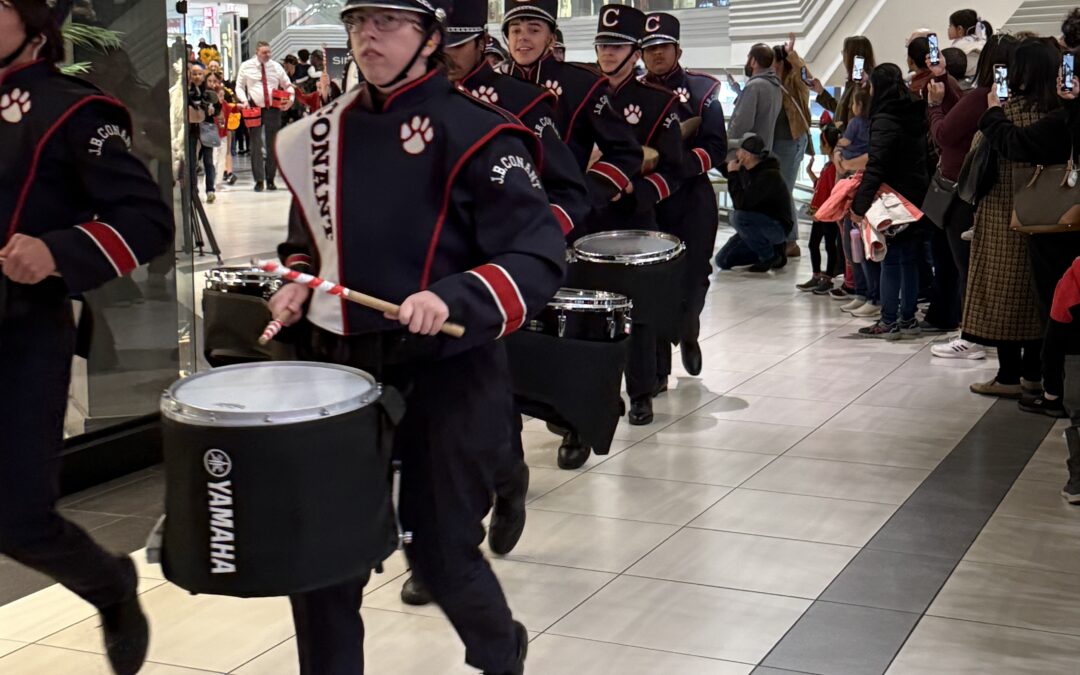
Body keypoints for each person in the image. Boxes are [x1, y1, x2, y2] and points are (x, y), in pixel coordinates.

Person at [267, 0, 566, 671]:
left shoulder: (483, 133)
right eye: (357, 22)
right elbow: (305, 245)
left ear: (431, 38)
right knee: (322, 559)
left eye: (389, 22)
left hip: (450, 368)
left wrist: (454, 293)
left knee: (439, 550)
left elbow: (538, 255)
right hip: (340, 370)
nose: (367, 36)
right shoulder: (323, 131)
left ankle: (498, 649)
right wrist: (297, 280)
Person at [395, 0, 590, 606]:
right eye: (436, 42)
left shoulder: (526, 105)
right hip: (411, 292)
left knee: (481, 419)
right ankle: (439, 547)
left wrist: (525, 250)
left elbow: (570, 195)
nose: (445, 55)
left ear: (480, 43)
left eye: (456, 43)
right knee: (427, 430)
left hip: (489, 285)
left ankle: (504, 485)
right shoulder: (401, 106)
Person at [0, 1, 174, 673]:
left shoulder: (74, 112)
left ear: (34, 23)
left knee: (17, 516)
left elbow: (146, 221)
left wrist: (59, 249)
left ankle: (110, 585)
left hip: (22, 330)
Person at [591, 3, 688, 426]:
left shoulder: (658, 101)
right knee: (593, 311)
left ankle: (642, 392)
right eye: (603, 45)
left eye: (618, 46)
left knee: (639, 313)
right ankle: (598, 392)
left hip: (635, 219)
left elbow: (674, 170)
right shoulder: (580, 95)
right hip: (588, 217)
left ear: (635, 53)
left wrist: (637, 191)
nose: (608, 53)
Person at [959, 39, 1062, 398]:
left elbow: (974, 159)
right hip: (1052, 219)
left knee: (1003, 298)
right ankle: (1035, 377)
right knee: (1038, 301)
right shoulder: (1061, 113)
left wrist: (991, 112)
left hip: (1004, 216)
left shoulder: (1007, 113)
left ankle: (1007, 377)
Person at [977, 59, 1078, 414]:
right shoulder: (1062, 115)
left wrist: (992, 114)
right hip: (1066, 223)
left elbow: (1016, 143)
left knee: (1059, 309)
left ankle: (1053, 396)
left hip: (1057, 224)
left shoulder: (1059, 119)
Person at [642, 11, 727, 377]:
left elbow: (716, 147)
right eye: (648, 49)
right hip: (650, 197)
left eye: (662, 47)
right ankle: (657, 365)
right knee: (655, 281)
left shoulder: (702, 91)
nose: (656, 54)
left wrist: (679, 161)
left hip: (692, 196)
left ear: (678, 49)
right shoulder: (632, 92)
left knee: (696, 274)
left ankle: (689, 331)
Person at [500, 0, 642, 214]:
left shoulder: (581, 84)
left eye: (534, 30)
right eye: (515, 30)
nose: (523, 37)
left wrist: (583, 195)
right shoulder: (490, 84)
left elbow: (626, 152)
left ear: (551, 39)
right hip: (498, 216)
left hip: (561, 219)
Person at [929, 34, 1020, 359]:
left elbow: (945, 133)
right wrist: (942, 79)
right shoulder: (1015, 99)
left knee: (967, 266)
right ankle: (983, 334)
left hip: (964, 190)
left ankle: (973, 336)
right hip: (999, 193)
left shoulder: (982, 96)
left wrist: (934, 106)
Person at [849, 63, 930, 339]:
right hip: (918, 193)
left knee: (891, 259)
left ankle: (888, 320)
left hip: (893, 197)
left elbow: (877, 165)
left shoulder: (884, 118)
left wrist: (859, 205)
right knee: (909, 259)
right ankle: (907, 317)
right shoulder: (916, 110)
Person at [715, 134, 792, 272]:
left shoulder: (769, 176)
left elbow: (741, 204)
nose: (736, 153)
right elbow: (725, 168)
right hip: (755, 226)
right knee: (722, 260)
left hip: (775, 228)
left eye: (739, 151)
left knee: (736, 216)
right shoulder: (747, 169)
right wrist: (711, 156)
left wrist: (733, 174)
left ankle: (768, 256)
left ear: (747, 155)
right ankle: (775, 252)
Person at [770, 35, 813, 255]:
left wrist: (793, 56)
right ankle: (784, 239)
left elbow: (808, 77)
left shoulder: (794, 80)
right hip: (775, 141)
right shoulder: (771, 82)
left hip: (792, 140)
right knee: (779, 190)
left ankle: (790, 242)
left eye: (773, 60)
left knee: (784, 190)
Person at [235, 40, 294, 191]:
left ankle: (271, 179)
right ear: (257, 53)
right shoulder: (246, 66)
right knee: (255, 145)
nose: (268, 55)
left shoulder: (276, 67)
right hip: (253, 106)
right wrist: (243, 100)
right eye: (264, 52)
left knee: (272, 144)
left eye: (269, 52)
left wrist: (290, 99)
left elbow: (288, 85)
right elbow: (239, 87)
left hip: (273, 108)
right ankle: (259, 180)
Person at [796, 123, 841, 293]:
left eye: (823, 144)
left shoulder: (834, 168)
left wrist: (824, 211)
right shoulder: (828, 167)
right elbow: (820, 187)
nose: (821, 147)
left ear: (829, 146)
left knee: (829, 245)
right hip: (820, 214)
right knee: (813, 244)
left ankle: (828, 278)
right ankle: (816, 276)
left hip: (827, 214)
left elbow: (831, 192)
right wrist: (810, 173)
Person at [725, 43, 782, 158]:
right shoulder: (776, 86)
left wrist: (726, 143)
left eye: (748, 58)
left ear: (753, 61)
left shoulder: (754, 86)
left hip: (745, 156)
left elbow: (742, 123)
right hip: (762, 153)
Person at [810, 36, 875, 130]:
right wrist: (821, 92)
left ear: (852, 56)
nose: (843, 57)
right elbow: (841, 110)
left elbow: (852, 123)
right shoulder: (854, 83)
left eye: (844, 53)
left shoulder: (862, 87)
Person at [948, 9, 992, 81]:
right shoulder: (981, 41)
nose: (948, 29)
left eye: (950, 26)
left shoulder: (959, 47)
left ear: (959, 29)